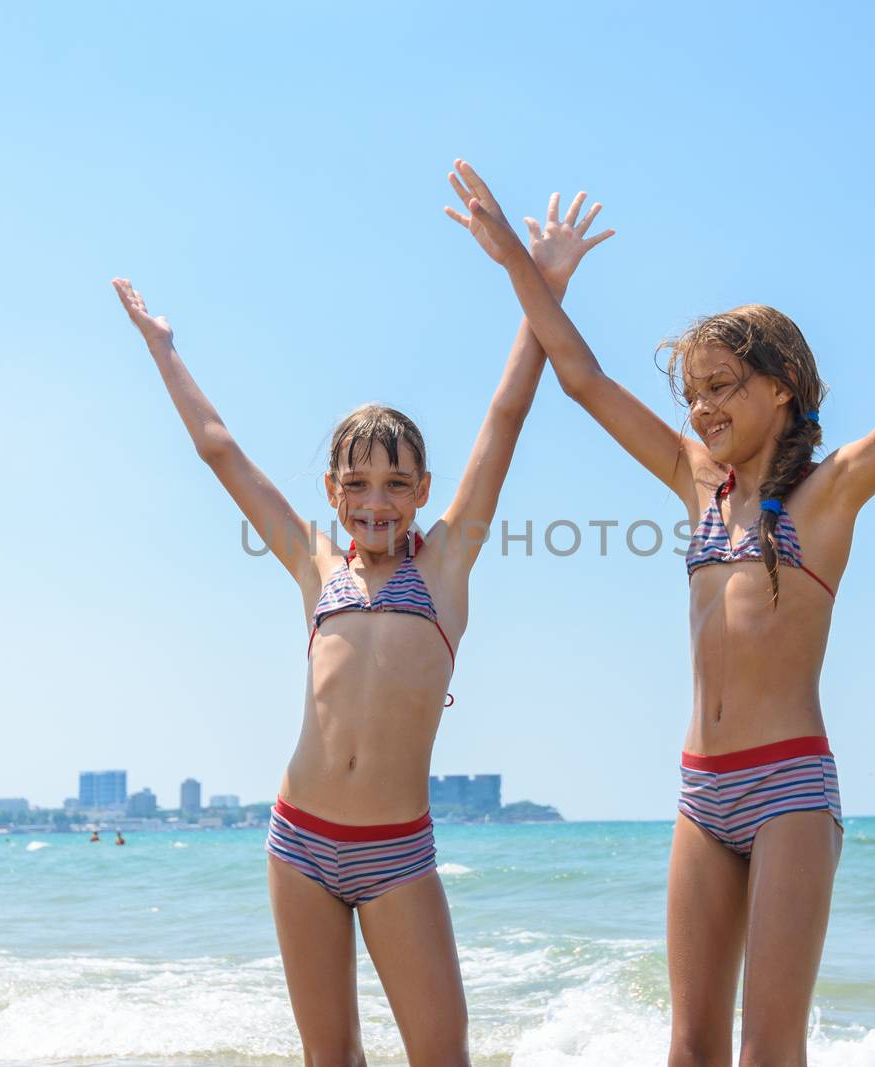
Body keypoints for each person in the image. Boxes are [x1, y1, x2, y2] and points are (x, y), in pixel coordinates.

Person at [446, 139, 875, 1065]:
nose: (703, 407)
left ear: (782, 388)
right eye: (692, 393)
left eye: (722, 386)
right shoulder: (695, 479)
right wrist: (519, 262)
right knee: (690, 1047)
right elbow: (583, 376)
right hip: (698, 789)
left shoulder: (827, 494)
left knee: (769, 1047)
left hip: (791, 787)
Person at [111, 194, 611, 1064]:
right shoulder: (316, 565)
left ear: (422, 490)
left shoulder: (445, 564)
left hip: (397, 852)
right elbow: (220, 449)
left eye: (394, 483)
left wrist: (543, 286)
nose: (374, 500)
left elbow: (505, 418)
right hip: (298, 839)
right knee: (329, 1057)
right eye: (356, 483)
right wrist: (164, 350)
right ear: (333, 492)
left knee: (440, 1054)